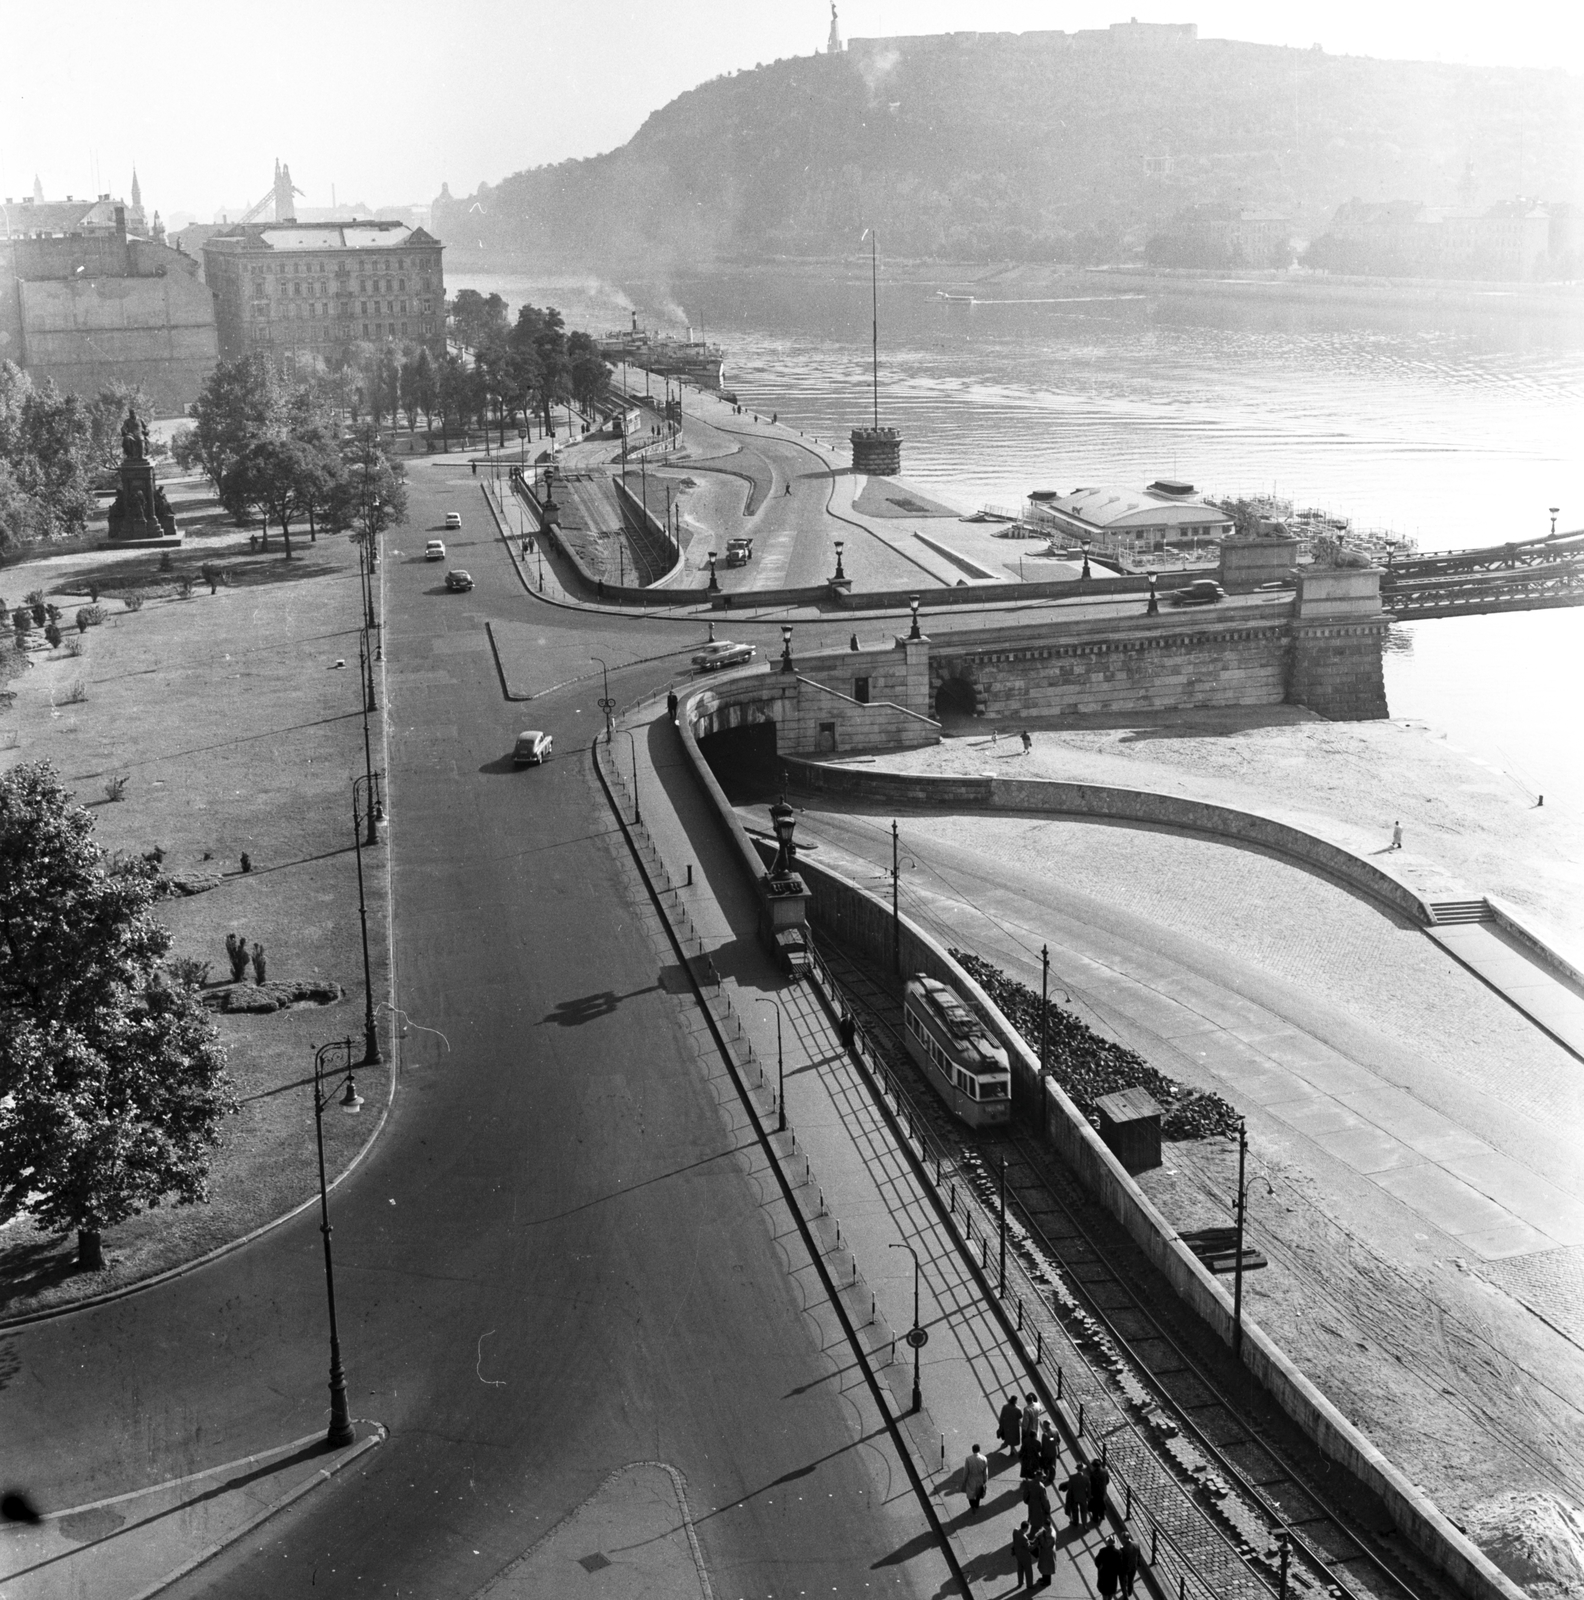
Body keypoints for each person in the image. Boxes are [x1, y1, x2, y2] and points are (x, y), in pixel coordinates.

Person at [963, 1444, 989, 1512]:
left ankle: (972, 1506)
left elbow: (966, 1471)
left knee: (970, 1494)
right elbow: (985, 1471)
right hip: (980, 1478)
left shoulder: (968, 1459)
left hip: (971, 1478)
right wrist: (985, 1479)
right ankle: (977, 1504)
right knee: (978, 1492)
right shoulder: (984, 1458)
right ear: (979, 1450)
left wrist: (964, 1480)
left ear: (972, 1450)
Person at [1088, 1457, 1110, 1528]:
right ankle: (1102, 1515)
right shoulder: (1105, 1471)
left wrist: (1090, 1494)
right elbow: (1107, 1481)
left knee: (1095, 1506)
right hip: (1103, 1491)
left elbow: (1091, 1485)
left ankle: (1095, 1518)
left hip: (1095, 1493)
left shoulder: (1093, 1474)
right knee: (1101, 1504)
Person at [1034, 1521, 1056, 1590]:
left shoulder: (1051, 1535)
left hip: (1048, 1552)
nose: (1043, 1527)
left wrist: (1040, 1538)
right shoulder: (1049, 1530)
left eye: (1044, 1526)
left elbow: (1046, 1545)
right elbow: (1042, 1532)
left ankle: (1047, 1581)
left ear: (1047, 1526)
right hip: (1045, 1552)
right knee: (1044, 1566)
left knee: (1047, 1567)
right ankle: (1044, 1578)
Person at [1012, 1522, 1034, 1591]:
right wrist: (1036, 1544)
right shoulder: (1024, 1538)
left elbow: (1017, 1540)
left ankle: (1020, 1582)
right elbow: (1029, 1548)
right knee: (1028, 1570)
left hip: (1018, 1554)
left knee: (1020, 1569)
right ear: (1025, 1528)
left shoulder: (1015, 1531)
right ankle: (1029, 1585)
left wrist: (1029, 1541)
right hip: (1025, 1556)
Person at [1117, 1532, 1139, 1597]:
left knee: (1123, 1582)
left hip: (1125, 1568)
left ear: (1125, 1539)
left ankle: (1125, 1595)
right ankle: (1130, 1592)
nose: (1121, 1540)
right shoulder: (1136, 1544)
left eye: (1122, 1539)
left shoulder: (1123, 1549)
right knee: (1131, 1580)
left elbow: (1121, 1560)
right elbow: (1138, 1555)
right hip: (1133, 1566)